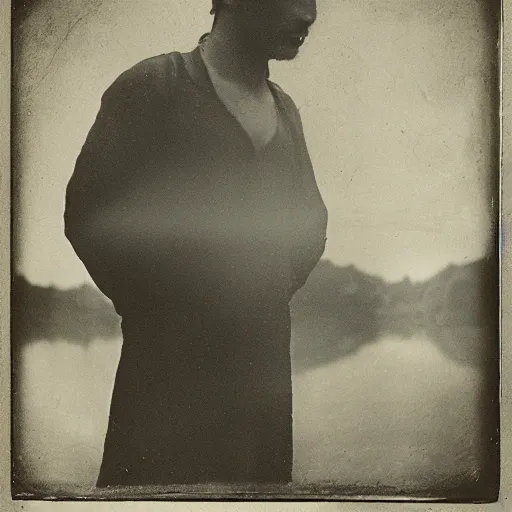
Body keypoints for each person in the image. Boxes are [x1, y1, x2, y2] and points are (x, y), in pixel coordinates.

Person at [64, 0, 327, 487]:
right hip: (164, 370)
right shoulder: (153, 86)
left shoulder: (285, 110)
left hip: (261, 374)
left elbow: (310, 223)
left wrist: (261, 292)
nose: (308, 15)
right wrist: (158, 308)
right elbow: (90, 213)